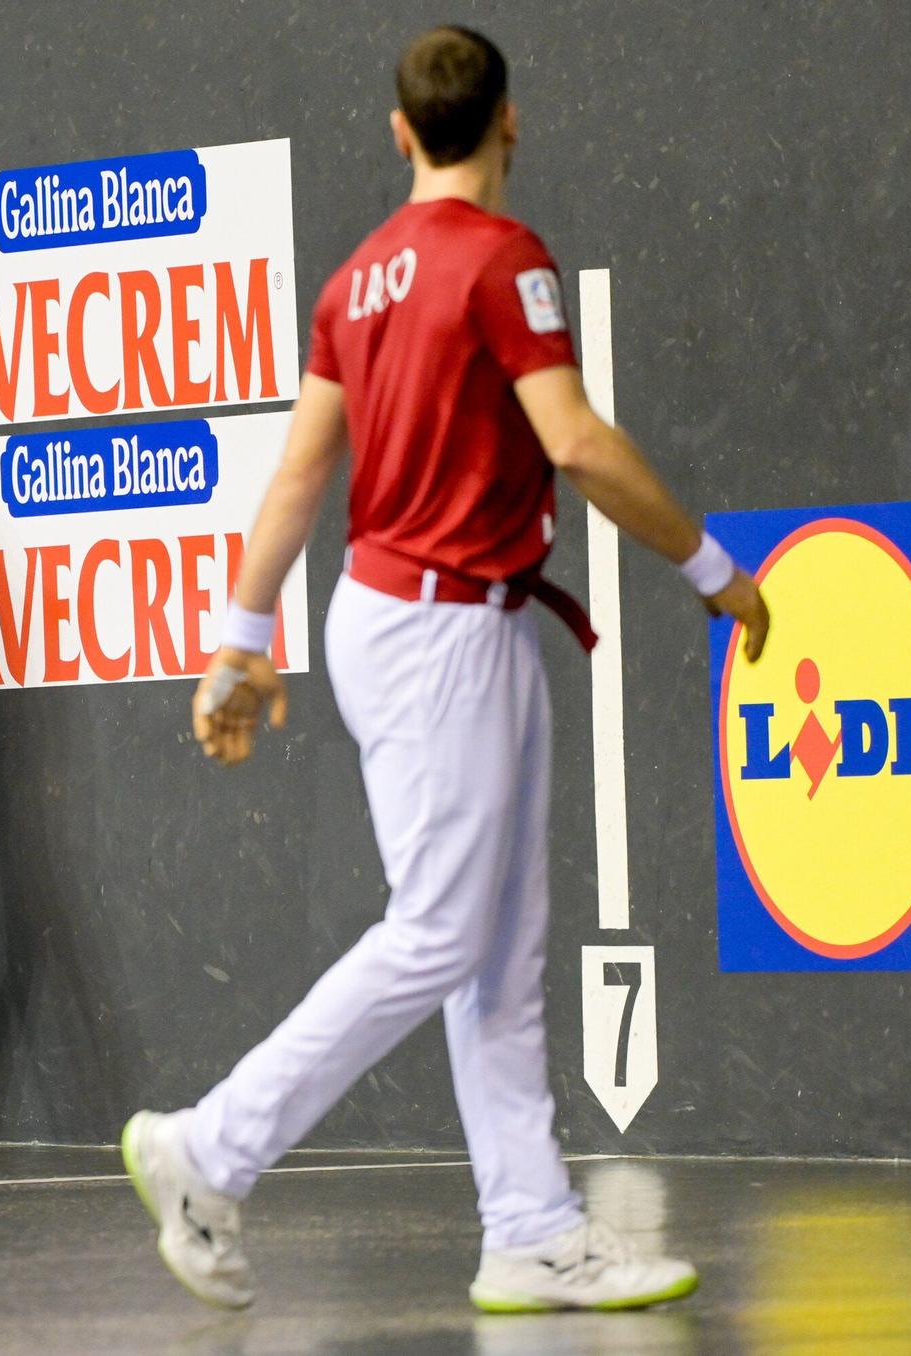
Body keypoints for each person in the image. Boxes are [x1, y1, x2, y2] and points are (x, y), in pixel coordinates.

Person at [120, 27, 769, 1312]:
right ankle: (210, 1148)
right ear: (509, 124)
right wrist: (709, 568)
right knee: (437, 933)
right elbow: (573, 440)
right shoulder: (498, 261)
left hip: (434, 621)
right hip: (436, 636)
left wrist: (239, 643)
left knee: (496, 946)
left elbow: (303, 471)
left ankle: (528, 1227)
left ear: (401, 131)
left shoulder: (353, 279)